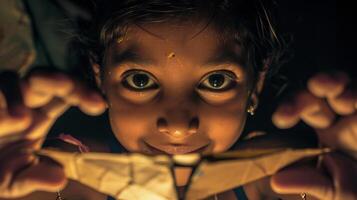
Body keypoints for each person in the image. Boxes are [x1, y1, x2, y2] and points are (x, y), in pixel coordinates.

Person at [0, 0, 356, 200]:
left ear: (256, 84)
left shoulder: (284, 176)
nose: (178, 124)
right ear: (100, 78)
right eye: (140, 80)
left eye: (216, 81)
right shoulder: (59, 179)